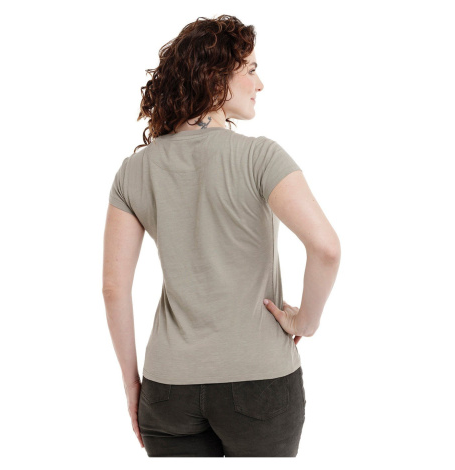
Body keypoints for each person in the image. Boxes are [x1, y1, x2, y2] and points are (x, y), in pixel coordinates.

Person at [102, 14, 340, 457]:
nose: (260, 83)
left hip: (168, 389)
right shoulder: (260, 157)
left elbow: (114, 288)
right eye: (250, 69)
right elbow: (326, 248)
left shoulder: (133, 172)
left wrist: (132, 383)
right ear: (215, 77)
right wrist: (305, 322)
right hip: (261, 383)